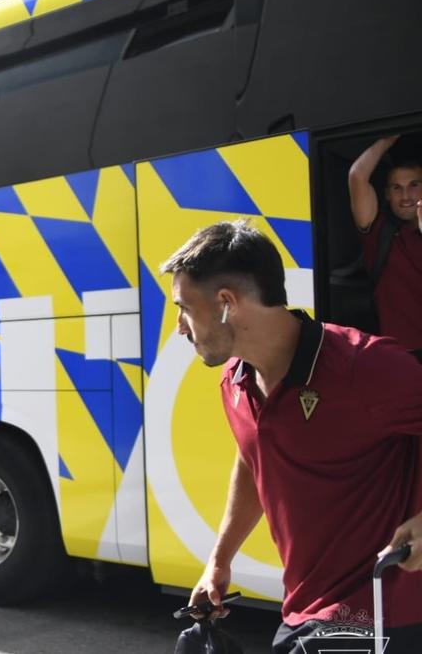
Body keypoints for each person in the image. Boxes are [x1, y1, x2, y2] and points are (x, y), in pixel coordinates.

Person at [161, 220, 422, 653]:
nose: (180, 327)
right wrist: (219, 560)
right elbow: (255, 458)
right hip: (306, 609)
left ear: (227, 303)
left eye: (184, 308)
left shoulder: (365, 366)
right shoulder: (235, 382)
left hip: (385, 613)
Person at [347, 135, 422, 349]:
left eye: (414, 185)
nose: (405, 196)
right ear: (387, 194)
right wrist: (388, 138)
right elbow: (357, 175)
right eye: (397, 188)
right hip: (400, 355)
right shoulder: (380, 232)